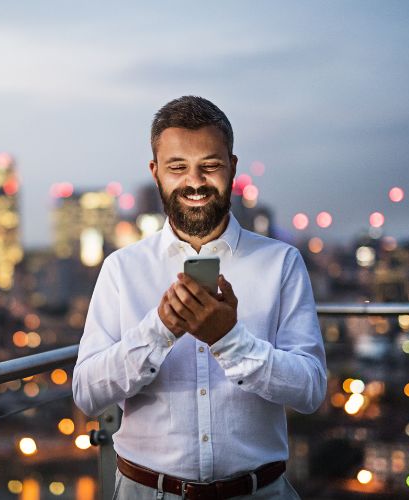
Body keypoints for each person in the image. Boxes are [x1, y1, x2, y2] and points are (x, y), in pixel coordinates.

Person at [72, 96, 327, 499]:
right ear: (155, 172)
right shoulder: (122, 268)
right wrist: (159, 331)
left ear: (232, 168)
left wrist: (230, 341)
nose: (194, 182)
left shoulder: (281, 262)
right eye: (178, 167)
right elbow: (86, 393)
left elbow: (310, 390)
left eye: (210, 165)